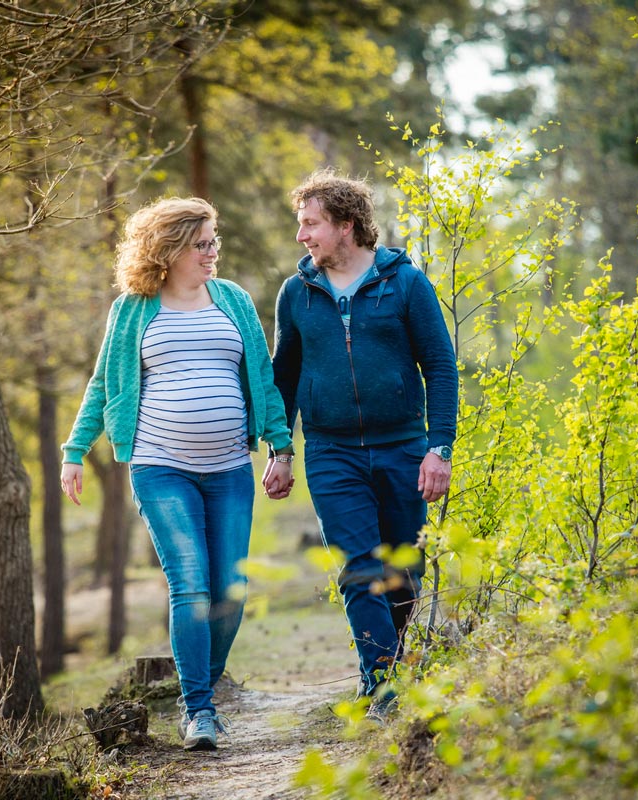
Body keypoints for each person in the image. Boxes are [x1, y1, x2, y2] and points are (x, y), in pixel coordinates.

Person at [60, 197, 295, 752]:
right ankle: (200, 711)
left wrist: (281, 448)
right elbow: (104, 384)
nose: (213, 253)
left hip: (231, 468)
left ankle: (201, 689)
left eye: (215, 241)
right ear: (169, 249)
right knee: (191, 588)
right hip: (161, 467)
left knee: (231, 592)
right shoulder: (133, 309)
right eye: (202, 243)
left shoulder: (233, 300)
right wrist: (75, 449)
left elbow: (261, 377)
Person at [270, 169, 458, 721]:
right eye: (300, 225)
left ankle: (400, 671)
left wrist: (438, 447)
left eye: (312, 224)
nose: (302, 236)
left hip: (404, 446)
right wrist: (280, 450)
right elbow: (285, 377)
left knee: (402, 570)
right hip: (331, 452)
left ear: (347, 225)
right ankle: (379, 684)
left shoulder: (405, 282)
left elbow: (441, 368)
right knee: (358, 567)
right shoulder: (296, 293)